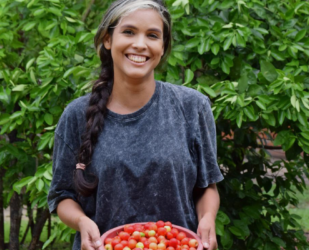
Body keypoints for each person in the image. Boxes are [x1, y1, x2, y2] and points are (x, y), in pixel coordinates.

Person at [47, 0, 224, 250]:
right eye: (128, 32)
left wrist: (207, 219)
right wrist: (82, 221)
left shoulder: (192, 107)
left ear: (162, 46)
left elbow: (206, 187)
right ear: (108, 40)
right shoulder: (77, 114)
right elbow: (61, 195)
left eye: (152, 35)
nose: (140, 44)